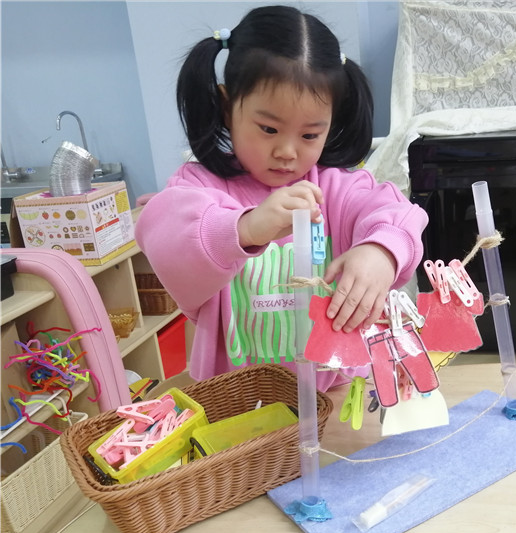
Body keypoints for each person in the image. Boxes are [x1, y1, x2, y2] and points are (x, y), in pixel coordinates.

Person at [135, 5, 428, 391]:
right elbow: (166, 235)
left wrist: (381, 252)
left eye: (309, 135)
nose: (287, 152)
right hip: (238, 400)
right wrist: (247, 228)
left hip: (337, 390)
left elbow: (397, 213)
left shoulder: (337, 189)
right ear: (227, 107)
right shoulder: (199, 187)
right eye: (269, 129)